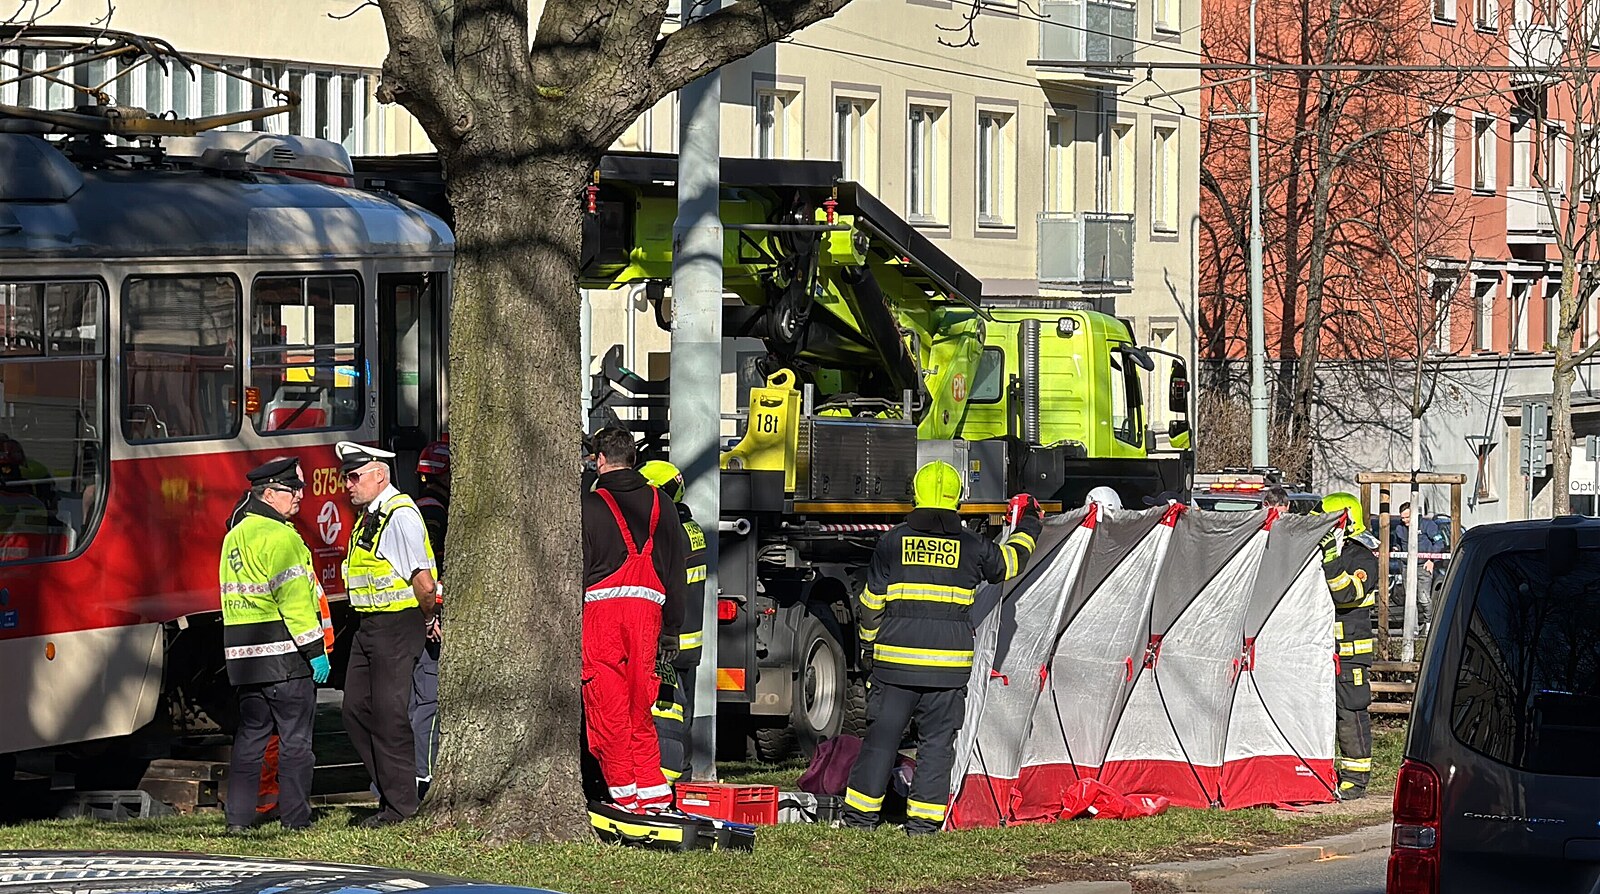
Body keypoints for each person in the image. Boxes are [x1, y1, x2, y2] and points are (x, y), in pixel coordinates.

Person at [842, 461, 1045, 835]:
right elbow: (1010, 562)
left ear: (915, 495)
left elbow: (871, 604)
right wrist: (1030, 522)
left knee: (881, 740)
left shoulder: (892, 542)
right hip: (947, 669)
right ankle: (922, 825)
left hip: (895, 666)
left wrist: (869, 649)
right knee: (936, 745)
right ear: (958, 500)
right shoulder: (971, 546)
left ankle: (859, 820)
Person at [218, 457, 330, 834]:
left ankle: (238, 820)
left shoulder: (234, 536)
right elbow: (296, 604)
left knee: (250, 739)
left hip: (244, 660)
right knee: (295, 742)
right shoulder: (282, 537)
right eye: (291, 490)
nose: (299, 496)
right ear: (269, 494)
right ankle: (296, 820)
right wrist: (316, 653)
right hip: (285, 659)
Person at [581, 428, 687, 813]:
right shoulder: (663, 505)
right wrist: (672, 629)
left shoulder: (589, 506)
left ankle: (625, 798)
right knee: (640, 710)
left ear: (600, 460)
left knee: (608, 709)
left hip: (601, 617)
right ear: (634, 460)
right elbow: (677, 572)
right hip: (649, 619)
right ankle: (654, 796)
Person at [337, 441, 439, 827]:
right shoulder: (370, 514)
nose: (347, 484)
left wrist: (428, 620)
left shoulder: (400, 515)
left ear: (380, 474)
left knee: (389, 714)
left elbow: (424, 583)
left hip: (397, 624)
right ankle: (391, 794)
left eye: (354, 476)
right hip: (368, 626)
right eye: (346, 476)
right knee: (354, 710)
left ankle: (401, 807)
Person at [638, 459, 708, 784]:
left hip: (669, 642)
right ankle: (685, 781)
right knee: (684, 717)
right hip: (689, 643)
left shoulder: (668, 534)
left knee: (665, 718)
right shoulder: (691, 528)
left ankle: (666, 783)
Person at [1317, 492, 1379, 800]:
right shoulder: (1320, 553)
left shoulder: (1361, 557)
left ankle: (1355, 778)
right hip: (1319, 650)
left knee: (1349, 712)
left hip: (1350, 656)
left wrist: (1331, 559)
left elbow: (1346, 594)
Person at [411, 436, 450, 799]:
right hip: (428, 616)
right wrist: (434, 613)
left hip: (412, 617)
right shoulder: (434, 512)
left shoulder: (417, 507)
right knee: (428, 702)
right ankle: (423, 776)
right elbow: (430, 570)